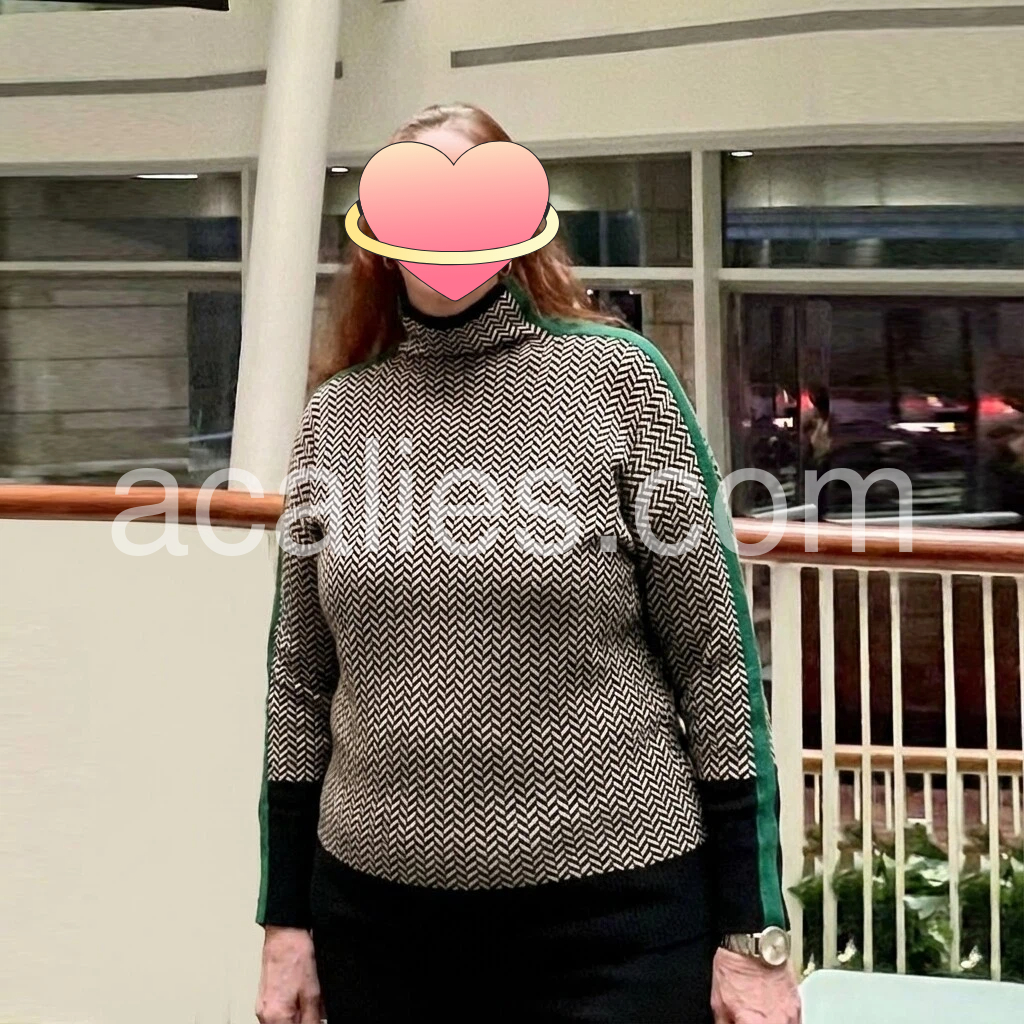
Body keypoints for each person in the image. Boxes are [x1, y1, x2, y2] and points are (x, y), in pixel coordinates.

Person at [254, 102, 801, 1024]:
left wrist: (753, 934)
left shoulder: (618, 383)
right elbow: (299, 682)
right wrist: (285, 922)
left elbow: (716, 665)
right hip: (379, 930)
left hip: (615, 926)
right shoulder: (339, 414)